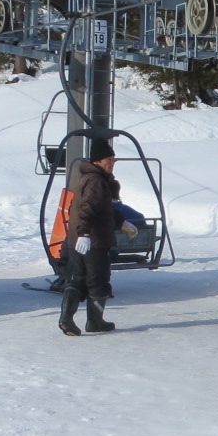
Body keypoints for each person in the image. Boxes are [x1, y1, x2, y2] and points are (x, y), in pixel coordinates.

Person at [61, 138, 129, 336]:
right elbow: (87, 208)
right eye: (110, 159)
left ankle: (66, 319)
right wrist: (84, 233)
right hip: (93, 241)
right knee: (98, 282)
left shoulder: (90, 178)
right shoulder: (97, 181)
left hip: (79, 241)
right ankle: (95, 321)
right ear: (98, 161)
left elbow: (102, 210)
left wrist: (121, 222)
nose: (113, 163)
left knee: (78, 278)